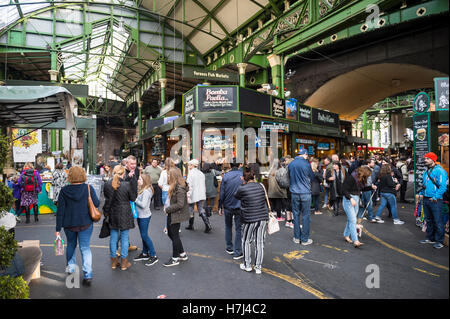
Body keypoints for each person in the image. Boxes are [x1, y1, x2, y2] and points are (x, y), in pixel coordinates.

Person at [55, 166, 100, 286]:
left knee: (71, 245)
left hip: (69, 224)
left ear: (69, 176)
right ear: (82, 175)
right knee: (85, 248)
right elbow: (96, 203)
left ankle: (71, 269)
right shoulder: (88, 188)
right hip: (85, 223)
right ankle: (88, 275)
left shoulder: (64, 191)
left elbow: (61, 211)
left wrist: (58, 228)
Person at [234, 169, 269, 274]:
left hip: (249, 218)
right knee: (259, 242)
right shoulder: (261, 186)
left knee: (246, 241)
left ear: (243, 178)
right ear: (254, 177)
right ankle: (258, 267)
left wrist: (242, 183)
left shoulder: (242, 189)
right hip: (262, 217)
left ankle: (247, 265)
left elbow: (236, 196)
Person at [103, 165, 137, 271]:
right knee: (124, 237)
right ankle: (124, 263)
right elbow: (133, 198)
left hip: (113, 212)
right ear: (123, 174)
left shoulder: (108, 184)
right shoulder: (127, 185)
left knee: (113, 237)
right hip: (125, 212)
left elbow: (106, 197)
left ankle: (114, 262)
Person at [418, 152, 448, 249]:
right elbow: (424, 184)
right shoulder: (427, 171)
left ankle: (439, 241)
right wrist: (421, 194)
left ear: (433, 160)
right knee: (429, 220)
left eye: (427, 158)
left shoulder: (440, 171)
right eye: (425, 158)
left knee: (438, 221)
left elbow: (443, 187)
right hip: (426, 199)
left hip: (435, 200)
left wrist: (435, 197)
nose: (425, 160)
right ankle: (430, 238)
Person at [164, 168, 190, 267]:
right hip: (173, 213)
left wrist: (168, 209)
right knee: (172, 234)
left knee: (174, 235)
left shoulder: (179, 188)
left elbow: (180, 204)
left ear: (174, 176)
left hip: (176, 214)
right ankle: (182, 254)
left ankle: (175, 258)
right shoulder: (175, 186)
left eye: (169, 175)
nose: (168, 176)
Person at [288, 149, 315, 245]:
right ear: (305, 154)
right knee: (305, 216)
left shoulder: (291, 164)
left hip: (294, 193)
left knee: (295, 215)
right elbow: (312, 177)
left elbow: (289, 177)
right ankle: (304, 239)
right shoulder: (306, 164)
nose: (307, 157)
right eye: (307, 155)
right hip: (305, 193)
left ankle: (296, 237)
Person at [218, 159, 243, 260]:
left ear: (230, 165)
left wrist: (220, 206)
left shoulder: (226, 176)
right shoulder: (242, 175)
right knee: (239, 229)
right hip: (240, 205)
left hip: (228, 205)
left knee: (228, 226)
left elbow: (222, 193)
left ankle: (229, 247)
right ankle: (237, 251)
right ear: (239, 165)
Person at [342, 166, 371, 248]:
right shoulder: (351, 177)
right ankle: (356, 240)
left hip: (355, 199)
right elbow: (343, 189)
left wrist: (371, 187)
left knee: (351, 220)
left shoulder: (360, 178)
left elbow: (360, 189)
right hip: (349, 200)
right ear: (364, 173)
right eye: (368, 175)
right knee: (353, 220)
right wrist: (350, 198)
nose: (368, 177)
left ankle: (346, 235)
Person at [133, 174, 159, 265]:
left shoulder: (146, 191)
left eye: (139, 179)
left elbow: (143, 205)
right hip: (141, 215)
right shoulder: (143, 189)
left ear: (144, 181)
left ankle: (153, 255)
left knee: (144, 236)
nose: (138, 180)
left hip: (144, 216)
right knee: (143, 235)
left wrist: (135, 199)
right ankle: (145, 253)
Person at [186, 159, 211, 233]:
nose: (189, 166)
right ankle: (208, 225)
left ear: (193, 165)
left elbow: (189, 186)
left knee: (191, 208)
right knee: (200, 209)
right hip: (201, 193)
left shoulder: (191, 174)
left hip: (193, 193)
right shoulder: (201, 173)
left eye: (190, 164)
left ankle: (191, 225)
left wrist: (188, 195)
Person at [358, 159, 378, 223]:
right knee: (369, 203)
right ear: (368, 163)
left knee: (362, 203)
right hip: (366, 189)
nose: (374, 164)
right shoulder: (367, 170)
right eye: (373, 162)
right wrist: (371, 186)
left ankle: (360, 216)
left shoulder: (362, 169)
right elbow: (368, 181)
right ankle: (371, 217)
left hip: (363, 189)